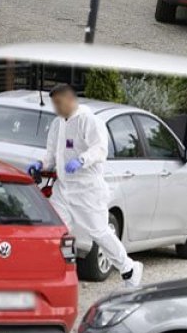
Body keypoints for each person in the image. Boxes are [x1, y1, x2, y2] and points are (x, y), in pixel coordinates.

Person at [28, 84, 142, 288]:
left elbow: (99, 149)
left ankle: (129, 268)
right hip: (63, 189)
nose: (57, 108)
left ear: (70, 100)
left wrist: (81, 160)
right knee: (56, 228)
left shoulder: (87, 119)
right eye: (54, 104)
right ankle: (62, 269)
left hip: (88, 190)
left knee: (99, 232)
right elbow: (52, 154)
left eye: (59, 103)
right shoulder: (57, 124)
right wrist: (41, 164)